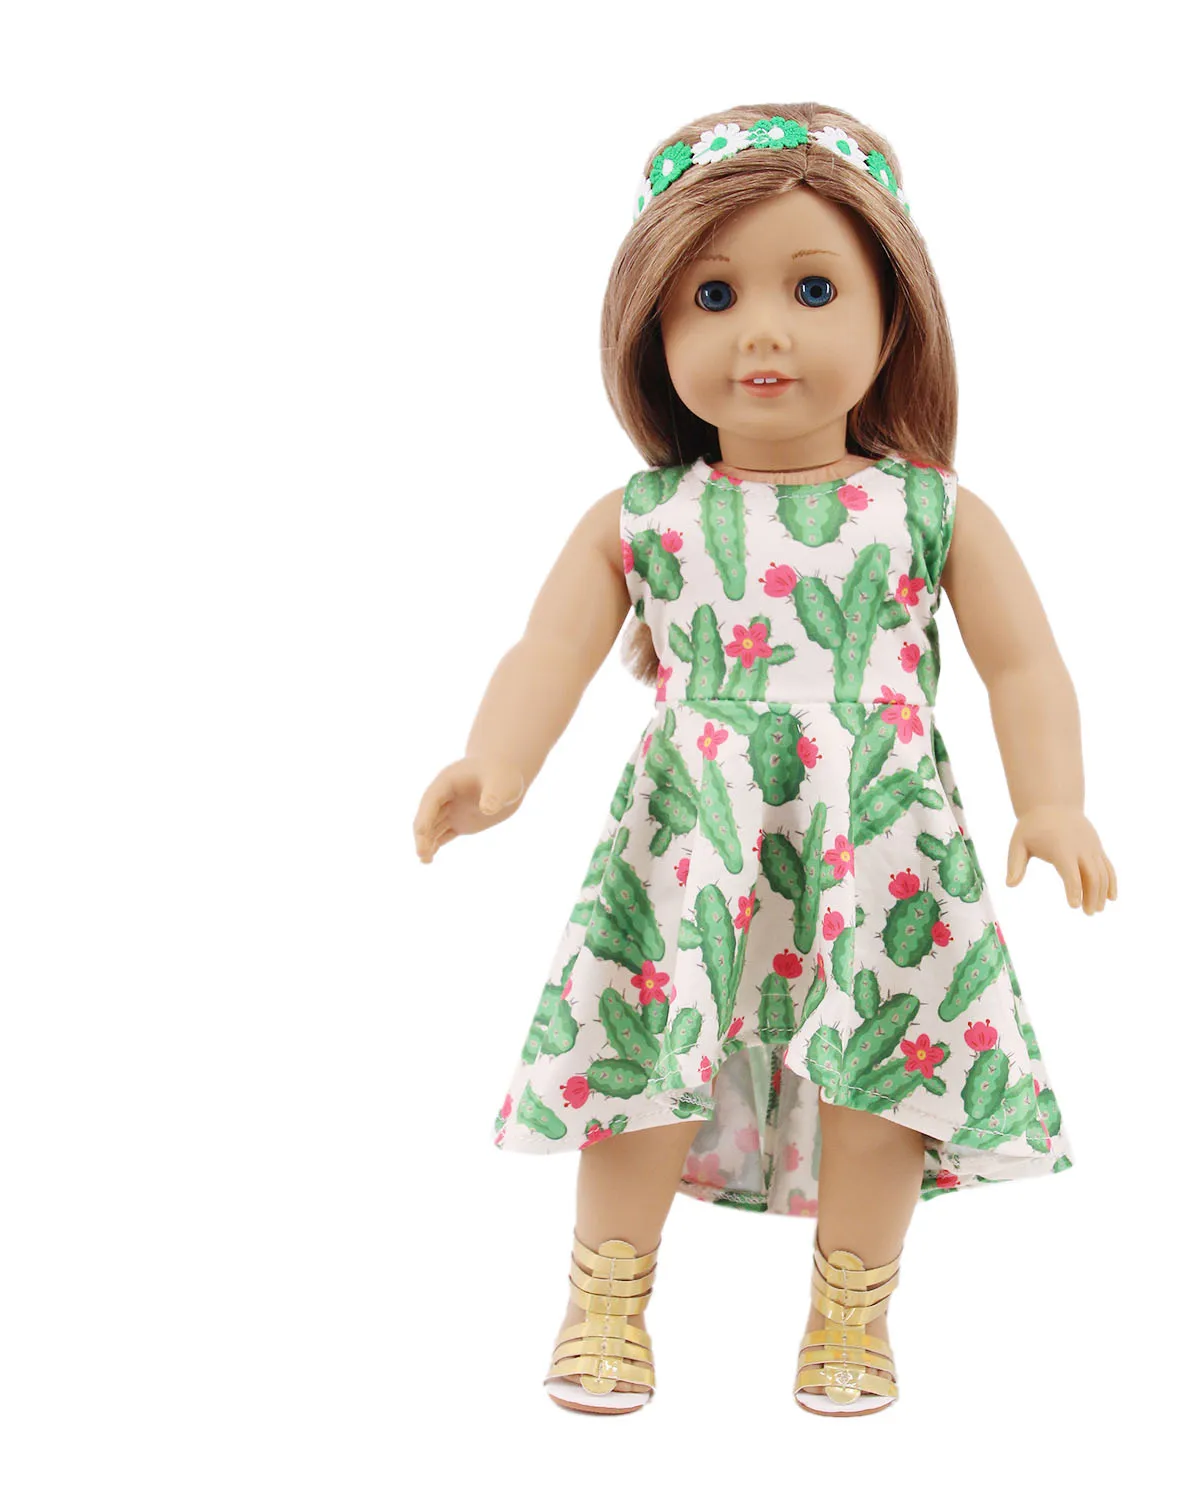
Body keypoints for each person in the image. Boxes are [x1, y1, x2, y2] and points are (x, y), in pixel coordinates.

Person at [413, 104, 1116, 1417]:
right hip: (694, 829)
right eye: (714, 296)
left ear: (894, 320)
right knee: (649, 1053)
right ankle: (605, 1297)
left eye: (813, 289)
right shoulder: (644, 518)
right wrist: (493, 764)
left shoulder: (928, 510)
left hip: (882, 836)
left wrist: (1055, 800)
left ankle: (852, 1314)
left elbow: (1025, 665)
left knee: (881, 1067)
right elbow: (547, 650)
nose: (764, 333)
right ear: (652, 333)